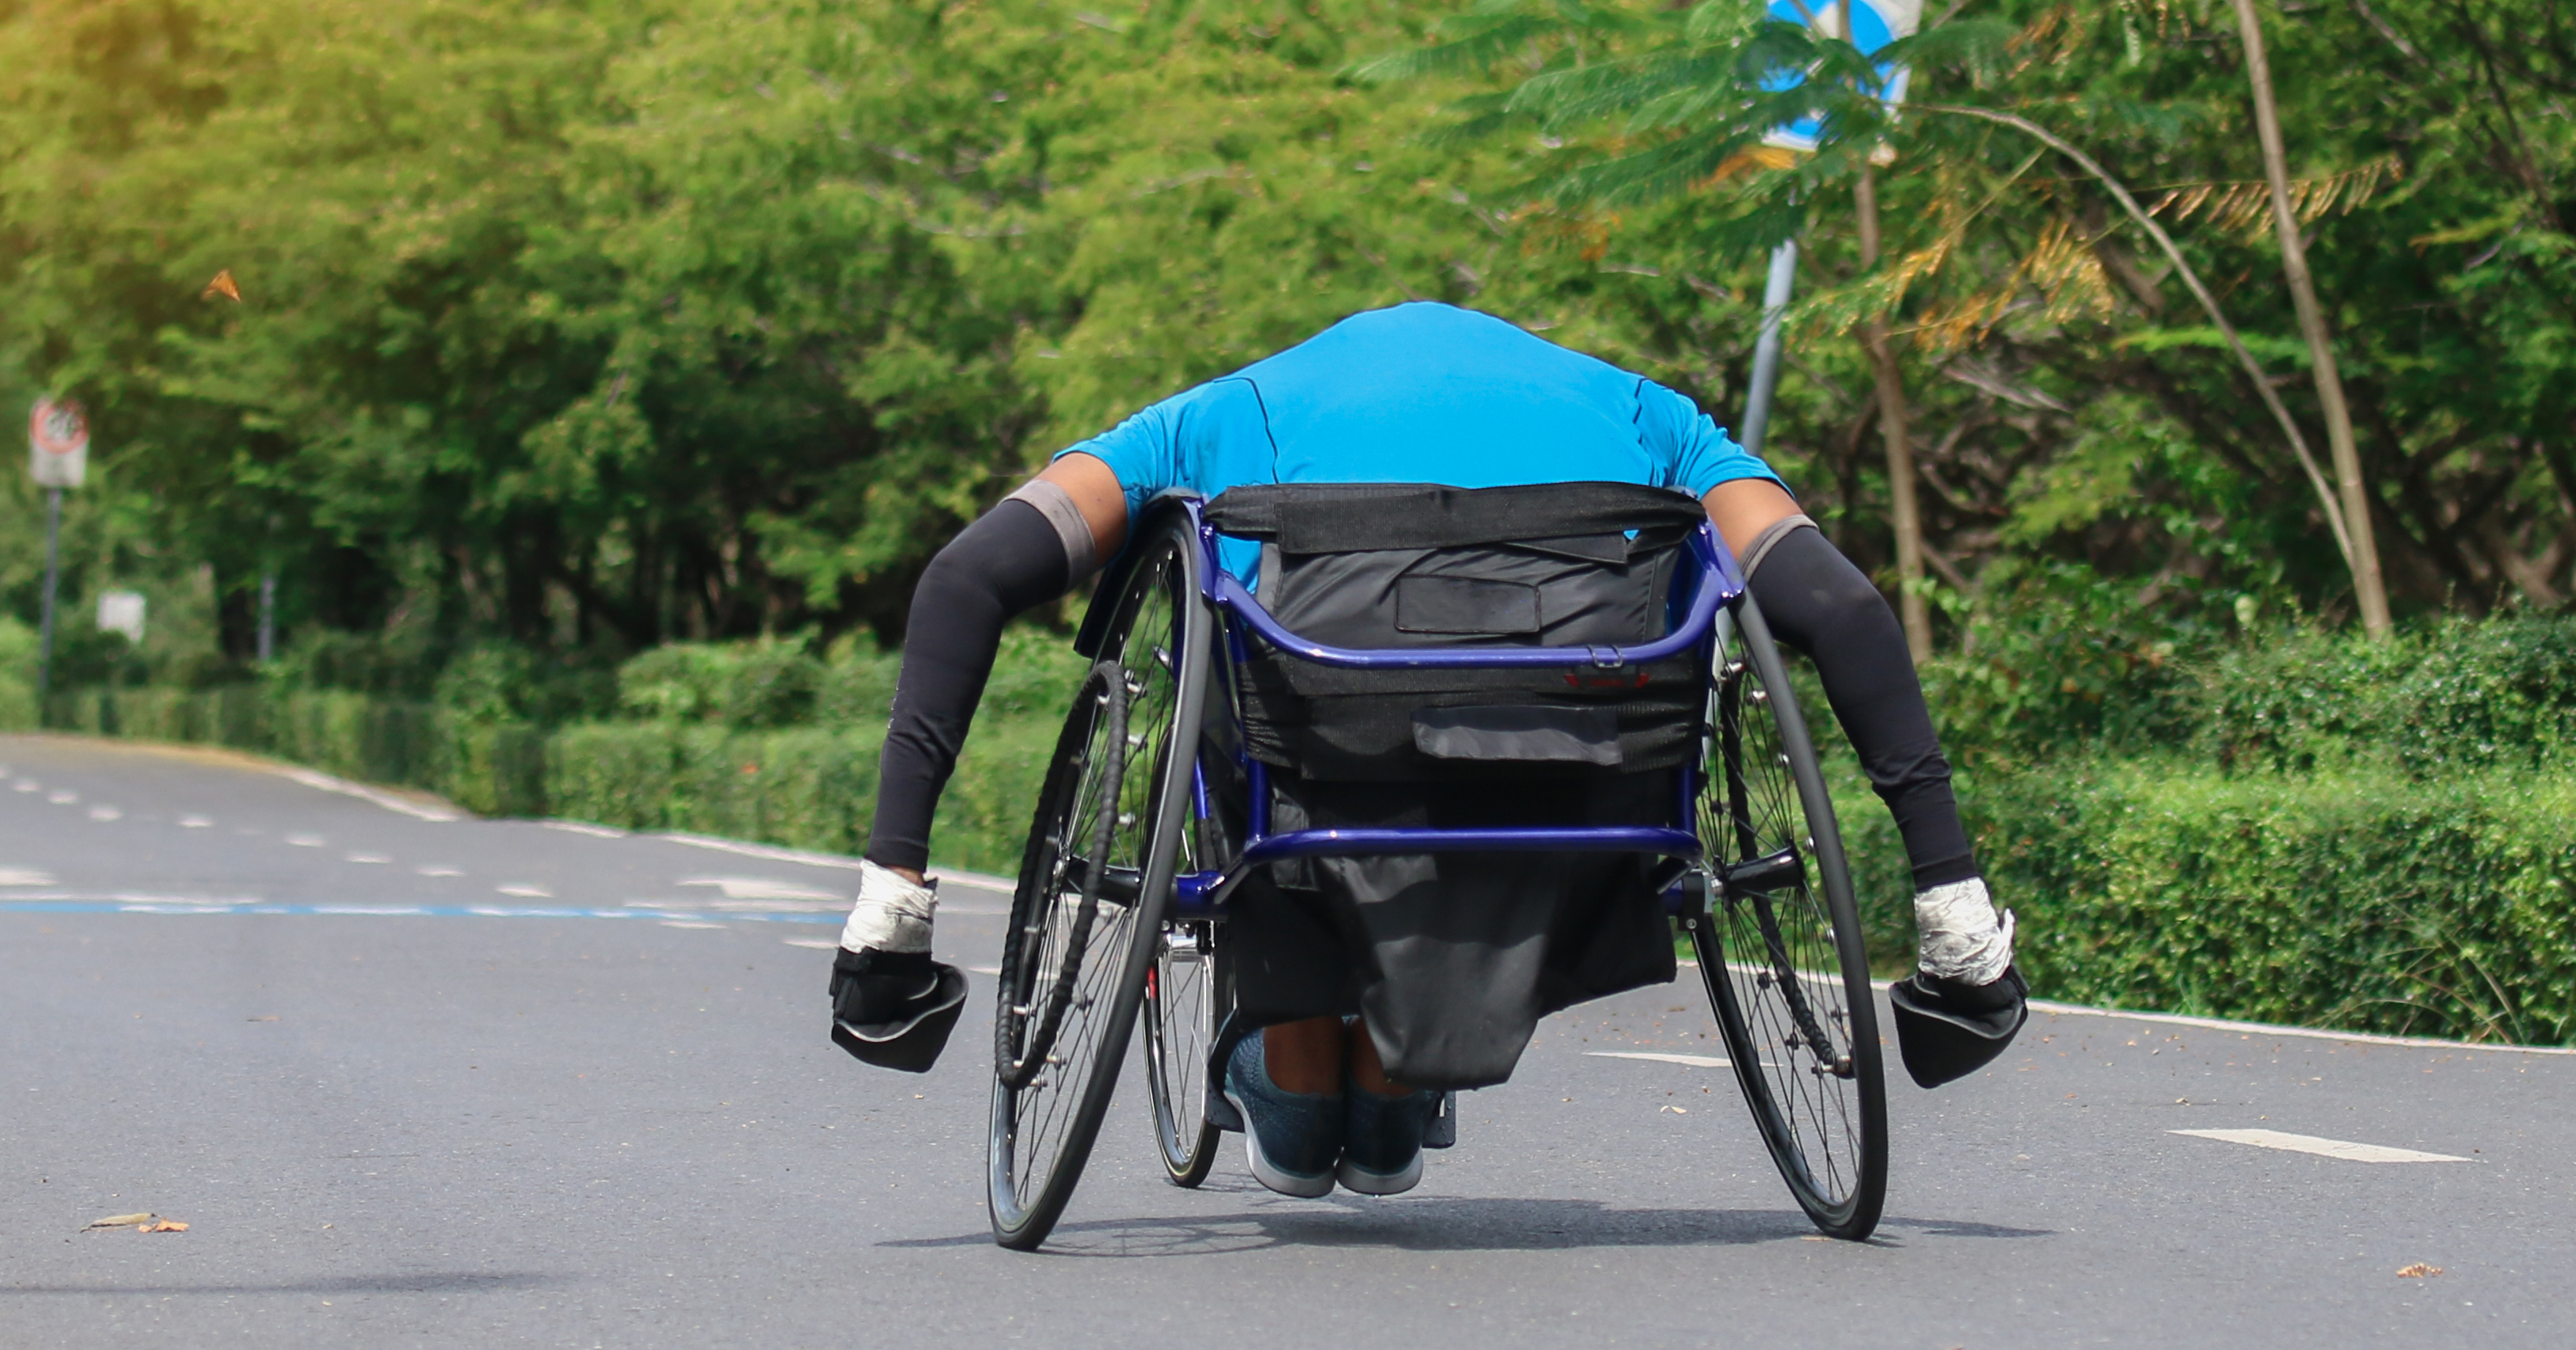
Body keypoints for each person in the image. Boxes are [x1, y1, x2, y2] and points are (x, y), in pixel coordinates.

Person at [828, 300, 2026, 1197]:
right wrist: (1950, 917)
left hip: (1316, 776)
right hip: (1585, 785)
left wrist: (892, 905)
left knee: (1239, 680)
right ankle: (1403, 1079)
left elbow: (969, 577)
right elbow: (1848, 614)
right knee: (1391, 1115)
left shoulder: (1221, 414)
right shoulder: (1645, 416)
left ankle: (1296, 1071)